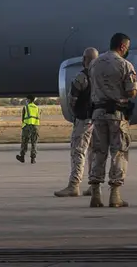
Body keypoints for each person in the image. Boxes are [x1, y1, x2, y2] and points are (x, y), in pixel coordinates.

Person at [88, 33, 137, 208]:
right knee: (118, 152)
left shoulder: (94, 63)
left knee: (98, 152)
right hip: (117, 115)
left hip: (98, 113)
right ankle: (115, 194)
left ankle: (95, 193)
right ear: (123, 46)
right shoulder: (125, 65)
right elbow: (131, 91)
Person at [55, 47, 99, 197]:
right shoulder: (102, 76)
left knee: (78, 151)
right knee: (94, 153)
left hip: (84, 119)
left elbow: (72, 98)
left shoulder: (82, 77)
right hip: (98, 120)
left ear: (85, 60)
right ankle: (94, 185)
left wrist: (75, 113)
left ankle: (74, 185)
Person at [16, 95, 40, 164]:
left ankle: (22, 157)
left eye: (26, 99)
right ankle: (33, 159)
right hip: (35, 127)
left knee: (24, 142)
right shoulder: (37, 108)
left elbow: (23, 118)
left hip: (27, 127)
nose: (26, 101)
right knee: (34, 143)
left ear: (29, 100)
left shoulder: (26, 107)